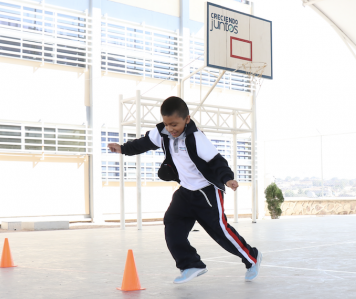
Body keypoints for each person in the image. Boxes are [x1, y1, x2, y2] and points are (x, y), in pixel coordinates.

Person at [108, 96, 262, 284]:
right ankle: (190, 264)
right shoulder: (163, 132)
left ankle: (252, 258)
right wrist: (122, 148)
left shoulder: (197, 138)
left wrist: (227, 179)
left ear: (187, 119)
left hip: (206, 193)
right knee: (172, 223)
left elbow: (216, 161)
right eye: (167, 124)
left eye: (175, 124)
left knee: (220, 232)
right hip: (186, 192)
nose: (171, 129)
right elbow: (143, 143)